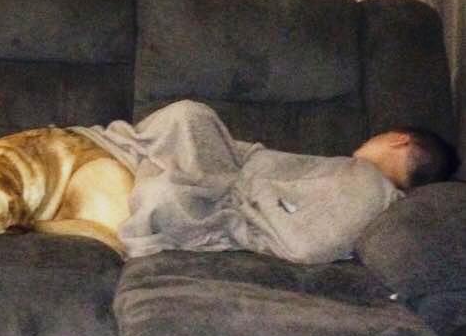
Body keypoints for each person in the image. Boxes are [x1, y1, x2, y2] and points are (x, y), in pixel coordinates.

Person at [72, 100, 460, 263]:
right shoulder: (356, 176)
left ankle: (110, 156)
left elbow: (307, 243)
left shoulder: (370, 185)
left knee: (164, 192)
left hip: (226, 199)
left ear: (399, 140)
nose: (368, 139)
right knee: (190, 117)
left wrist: (244, 197)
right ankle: (115, 155)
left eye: (379, 135)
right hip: (226, 174)